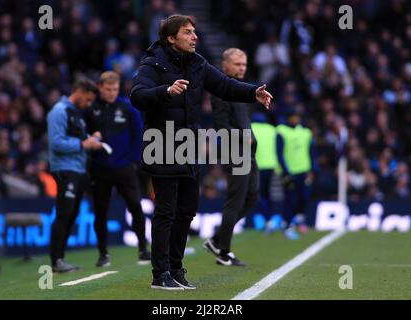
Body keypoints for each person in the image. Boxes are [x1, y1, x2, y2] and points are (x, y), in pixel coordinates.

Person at [130, 15, 272, 290]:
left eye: (194, 32)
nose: (194, 36)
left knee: (187, 211)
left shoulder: (197, 64)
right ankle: (160, 275)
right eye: (187, 32)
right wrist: (165, 91)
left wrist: (253, 92)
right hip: (161, 142)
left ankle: (175, 268)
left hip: (189, 145)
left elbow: (225, 85)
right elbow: (137, 95)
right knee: (166, 211)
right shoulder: (153, 63)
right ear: (171, 38)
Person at [85, 71, 150, 267]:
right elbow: (84, 134)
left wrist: (134, 159)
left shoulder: (127, 107)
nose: (112, 93)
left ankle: (142, 248)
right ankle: (103, 253)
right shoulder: (91, 109)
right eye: (108, 89)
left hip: (124, 168)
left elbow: (139, 133)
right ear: (100, 88)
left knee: (136, 208)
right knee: (100, 212)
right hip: (100, 169)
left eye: (115, 89)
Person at [204, 48, 259, 267]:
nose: (242, 68)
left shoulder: (240, 90)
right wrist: (242, 138)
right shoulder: (221, 91)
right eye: (237, 64)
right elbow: (221, 127)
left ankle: (217, 240)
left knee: (252, 198)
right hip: (234, 151)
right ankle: (223, 252)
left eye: (244, 64)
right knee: (235, 202)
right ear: (225, 65)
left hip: (248, 152)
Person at [47, 79, 102, 272]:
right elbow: (55, 143)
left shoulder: (75, 114)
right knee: (64, 213)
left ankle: (60, 259)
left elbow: (78, 139)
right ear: (78, 91)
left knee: (71, 214)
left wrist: (91, 140)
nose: (88, 104)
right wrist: (82, 144)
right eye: (87, 99)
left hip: (78, 169)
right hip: (65, 169)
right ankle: (56, 260)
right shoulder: (59, 111)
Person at [276, 108, 316, 240]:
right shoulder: (281, 131)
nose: (296, 119)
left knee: (303, 198)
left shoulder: (306, 132)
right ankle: (287, 225)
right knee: (289, 199)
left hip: (303, 171)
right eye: (293, 117)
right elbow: (279, 153)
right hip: (288, 172)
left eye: (297, 117)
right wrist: (285, 171)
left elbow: (311, 152)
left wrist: (312, 169)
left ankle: (299, 221)